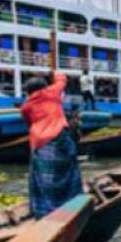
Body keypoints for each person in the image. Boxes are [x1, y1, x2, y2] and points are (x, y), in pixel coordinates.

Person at [21, 72, 82, 219]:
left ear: (29, 92)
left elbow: (29, 123)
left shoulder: (26, 106)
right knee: (69, 170)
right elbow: (62, 79)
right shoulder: (53, 92)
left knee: (42, 178)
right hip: (60, 137)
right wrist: (55, 74)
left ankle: (44, 210)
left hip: (41, 142)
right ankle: (72, 202)